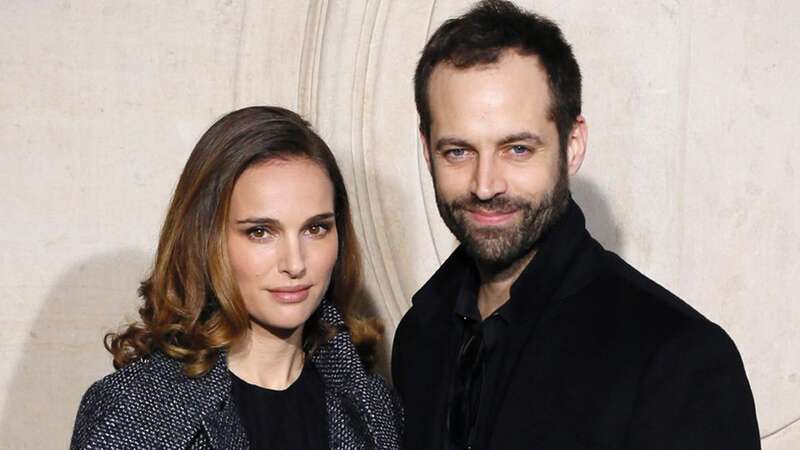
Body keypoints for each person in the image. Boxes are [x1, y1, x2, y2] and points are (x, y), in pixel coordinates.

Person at [391, 1, 760, 449]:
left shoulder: (679, 360)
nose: (485, 185)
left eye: (517, 149)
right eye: (458, 152)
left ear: (572, 144)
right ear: (427, 149)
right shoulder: (419, 337)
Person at [71, 106, 402, 449]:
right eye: (261, 232)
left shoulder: (374, 407)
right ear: (206, 240)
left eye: (316, 228)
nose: (295, 263)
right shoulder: (132, 411)